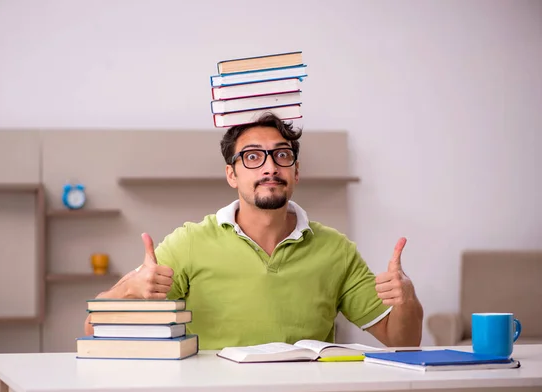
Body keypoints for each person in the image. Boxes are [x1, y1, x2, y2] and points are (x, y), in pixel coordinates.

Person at [84, 113, 423, 349]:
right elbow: (94, 329)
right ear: (231, 174)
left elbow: (402, 342)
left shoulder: (336, 250)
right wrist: (128, 290)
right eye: (252, 157)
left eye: (282, 155)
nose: (270, 167)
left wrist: (406, 300)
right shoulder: (189, 243)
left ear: (296, 171)